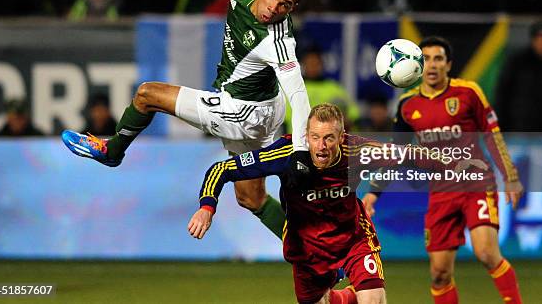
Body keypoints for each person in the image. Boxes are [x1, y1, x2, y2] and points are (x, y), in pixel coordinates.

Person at [61, 0, 311, 240]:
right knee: (251, 198)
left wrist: (300, 152)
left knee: (147, 94)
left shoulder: (279, 41)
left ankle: (112, 150)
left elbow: (299, 94)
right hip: (260, 109)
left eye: (284, 6)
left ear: (291, 9)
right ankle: (310, 252)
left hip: (244, 111)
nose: (274, 8)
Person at [188, 103, 485, 304]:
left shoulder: (357, 149)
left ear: (341, 136)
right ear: (306, 135)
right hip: (307, 250)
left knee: (375, 298)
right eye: (315, 137)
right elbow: (221, 170)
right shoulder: (286, 153)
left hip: (352, 239)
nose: (321, 146)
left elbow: (407, 154)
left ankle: (356, 292)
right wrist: (206, 207)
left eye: (329, 138)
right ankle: (343, 296)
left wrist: (452, 162)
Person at [362, 36, 524, 304]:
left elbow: (491, 134)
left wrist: (510, 176)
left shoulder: (468, 93)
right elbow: (396, 153)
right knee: (439, 273)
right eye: (425, 59)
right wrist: (374, 193)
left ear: (448, 64)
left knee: (485, 252)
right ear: (416, 64)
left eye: (438, 58)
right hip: (441, 191)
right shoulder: (407, 106)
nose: (432, 65)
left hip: (476, 183)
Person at [496, 21, 542, 131]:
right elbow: (502, 93)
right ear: (533, 40)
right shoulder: (517, 62)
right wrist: (502, 125)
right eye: (540, 39)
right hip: (517, 129)